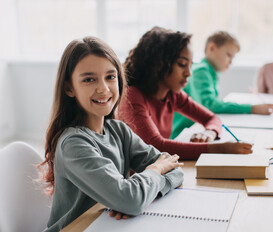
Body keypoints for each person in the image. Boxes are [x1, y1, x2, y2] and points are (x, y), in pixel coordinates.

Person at [38, 36, 184, 231]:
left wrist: (138, 196)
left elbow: (174, 168)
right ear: (69, 88)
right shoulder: (73, 143)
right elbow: (132, 197)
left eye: (110, 77)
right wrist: (152, 174)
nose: (103, 88)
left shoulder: (119, 130)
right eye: (89, 79)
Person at [117, 27, 253, 160]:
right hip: (135, 179)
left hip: (158, 171)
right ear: (158, 64)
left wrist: (210, 132)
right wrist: (219, 149)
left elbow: (212, 118)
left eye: (190, 65)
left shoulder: (172, 94)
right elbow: (156, 146)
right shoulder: (132, 96)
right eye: (182, 64)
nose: (189, 73)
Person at [172, 31, 273, 138]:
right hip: (182, 134)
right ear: (212, 48)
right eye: (229, 55)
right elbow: (210, 105)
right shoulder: (201, 71)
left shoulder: (211, 73)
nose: (231, 62)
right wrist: (252, 108)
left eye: (233, 58)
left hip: (197, 131)